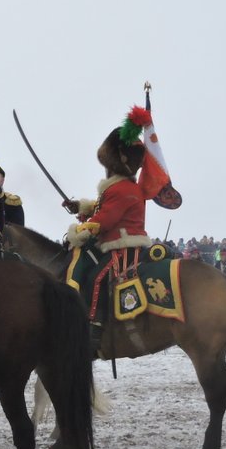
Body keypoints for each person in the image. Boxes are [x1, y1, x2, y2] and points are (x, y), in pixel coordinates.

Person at [64, 106, 153, 349]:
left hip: (122, 247)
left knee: (96, 277)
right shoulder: (121, 188)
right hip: (120, 241)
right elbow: (102, 208)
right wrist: (80, 206)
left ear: (116, 162)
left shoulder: (121, 189)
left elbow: (105, 220)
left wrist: (77, 233)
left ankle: (95, 327)